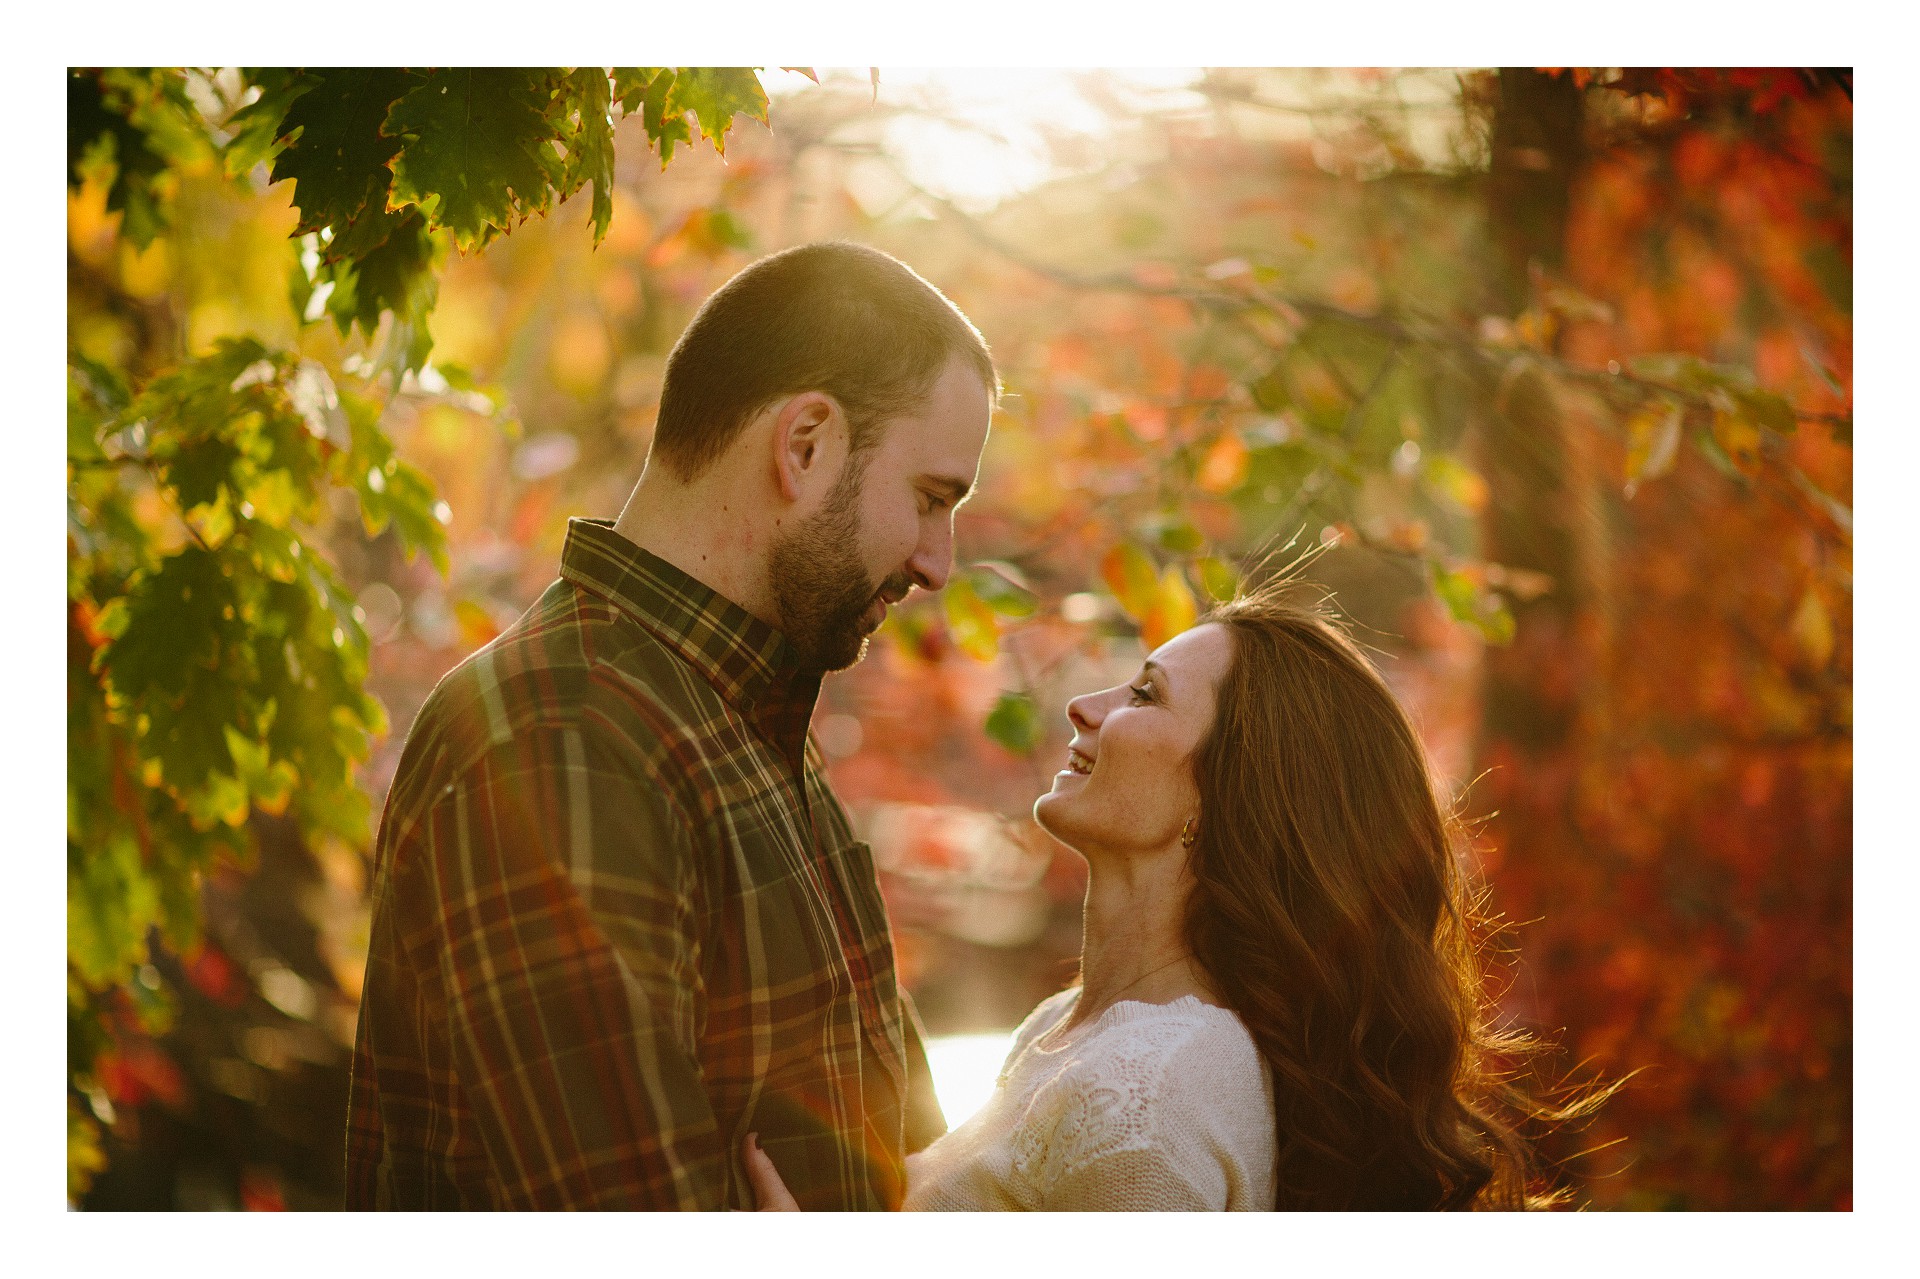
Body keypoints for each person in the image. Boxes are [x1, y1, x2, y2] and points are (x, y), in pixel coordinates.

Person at [344, 241, 997, 1209]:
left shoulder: (749, 730)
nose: (939, 562)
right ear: (805, 444)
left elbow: (913, 1185)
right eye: (930, 498)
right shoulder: (566, 733)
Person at [747, 578, 1585, 1211]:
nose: (1085, 706)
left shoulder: (1146, 1101)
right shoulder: (1072, 1029)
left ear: (1225, 798)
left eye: (1143, 694)